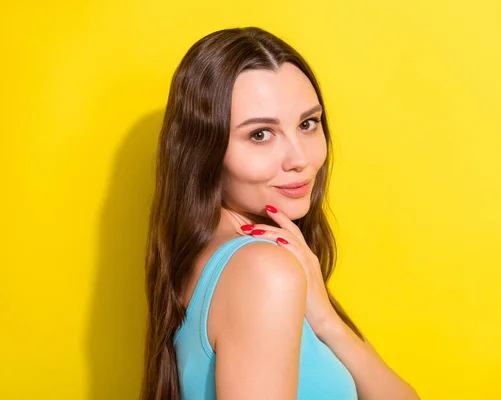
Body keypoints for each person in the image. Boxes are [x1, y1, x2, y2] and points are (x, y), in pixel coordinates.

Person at [140, 26, 420, 400]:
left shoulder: (212, 259)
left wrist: (326, 320)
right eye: (260, 134)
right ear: (205, 150)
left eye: (308, 124)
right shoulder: (263, 270)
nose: (301, 159)